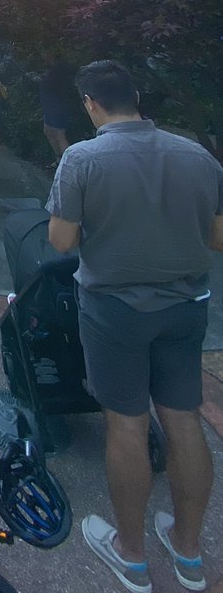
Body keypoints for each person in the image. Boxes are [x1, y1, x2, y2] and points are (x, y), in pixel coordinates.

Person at [47, 61, 223, 593]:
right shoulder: (197, 155)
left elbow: (59, 241)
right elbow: (217, 237)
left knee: (126, 424)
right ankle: (189, 553)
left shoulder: (81, 158)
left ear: (89, 103)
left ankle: (131, 555)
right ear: (138, 97)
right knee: (184, 420)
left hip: (114, 310)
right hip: (186, 305)